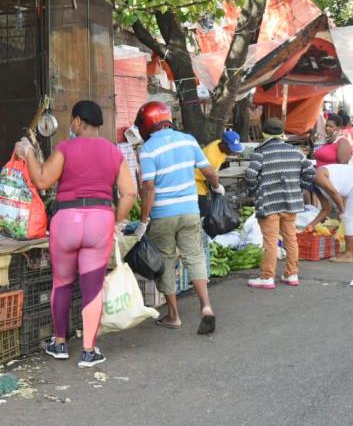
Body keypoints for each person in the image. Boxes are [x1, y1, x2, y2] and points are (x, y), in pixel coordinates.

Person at [15, 100, 136, 367]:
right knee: (91, 289)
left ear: (78, 122)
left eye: (73, 121)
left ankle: (59, 343)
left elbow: (43, 180)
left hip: (66, 221)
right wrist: (114, 219)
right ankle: (89, 351)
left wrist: (29, 154)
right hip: (99, 222)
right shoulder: (114, 152)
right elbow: (129, 193)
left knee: (62, 283)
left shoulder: (65, 148)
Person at [134, 101, 220, 334]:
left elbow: (149, 188)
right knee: (194, 256)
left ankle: (174, 316)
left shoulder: (149, 149)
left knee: (167, 263)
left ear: (148, 123)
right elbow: (209, 171)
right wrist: (217, 187)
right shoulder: (188, 140)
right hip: (190, 210)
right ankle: (207, 307)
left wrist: (143, 222)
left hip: (163, 215)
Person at [244, 118, 316, 289]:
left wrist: (253, 191)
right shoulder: (295, 151)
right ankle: (291, 274)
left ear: (263, 132)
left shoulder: (260, 152)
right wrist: (298, 189)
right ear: (281, 132)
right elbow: (311, 173)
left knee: (270, 241)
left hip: (268, 203)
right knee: (291, 239)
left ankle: (267, 277)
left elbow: (250, 175)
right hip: (291, 203)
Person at [307, 164, 353, 263]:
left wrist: (342, 211)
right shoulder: (315, 186)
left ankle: (348, 254)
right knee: (350, 218)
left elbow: (334, 192)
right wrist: (311, 225)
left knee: (348, 217)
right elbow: (326, 210)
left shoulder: (317, 175)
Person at [195, 130, 244, 213]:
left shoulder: (220, 145)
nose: (232, 152)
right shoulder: (211, 157)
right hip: (196, 182)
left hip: (205, 179)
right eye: (231, 149)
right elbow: (209, 176)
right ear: (223, 144)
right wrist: (217, 186)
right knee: (203, 209)